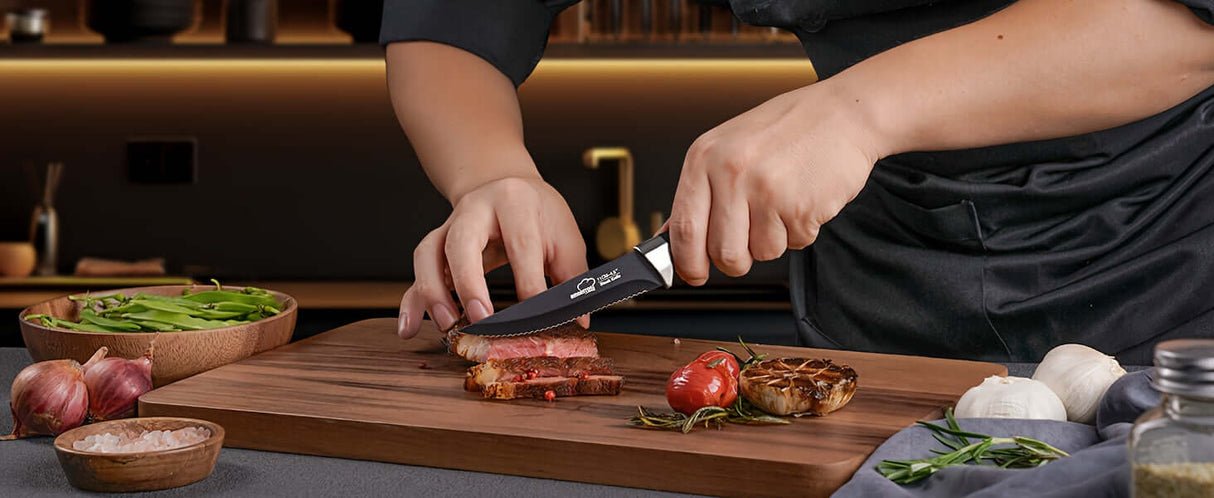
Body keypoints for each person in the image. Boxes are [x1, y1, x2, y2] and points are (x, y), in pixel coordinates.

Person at [382, 0, 1214, 364]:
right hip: (885, 279)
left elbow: (1186, 21)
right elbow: (451, 19)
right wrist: (490, 170)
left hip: (1162, 259)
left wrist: (859, 111)